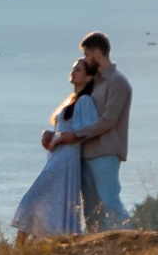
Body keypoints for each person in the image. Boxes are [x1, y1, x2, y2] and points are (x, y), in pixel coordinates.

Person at [41, 31, 131, 229]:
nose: (85, 59)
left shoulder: (117, 82)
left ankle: (133, 240)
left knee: (110, 201)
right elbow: (76, 114)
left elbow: (108, 121)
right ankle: (100, 249)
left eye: (87, 55)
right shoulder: (96, 83)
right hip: (86, 153)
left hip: (106, 152)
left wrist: (75, 135)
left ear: (97, 54)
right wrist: (55, 133)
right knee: (91, 211)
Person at [12, 59, 103, 236]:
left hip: (66, 158)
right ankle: (36, 244)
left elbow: (86, 130)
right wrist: (50, 135)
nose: (73, 72)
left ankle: (19, 249)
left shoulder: (85, 101)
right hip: (57, 156)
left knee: (33, 198)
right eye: (73, 68)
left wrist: (60, 139)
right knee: (50, 201)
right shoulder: (72, 101)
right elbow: (65, 129)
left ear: (88, 77)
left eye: (78, 70)